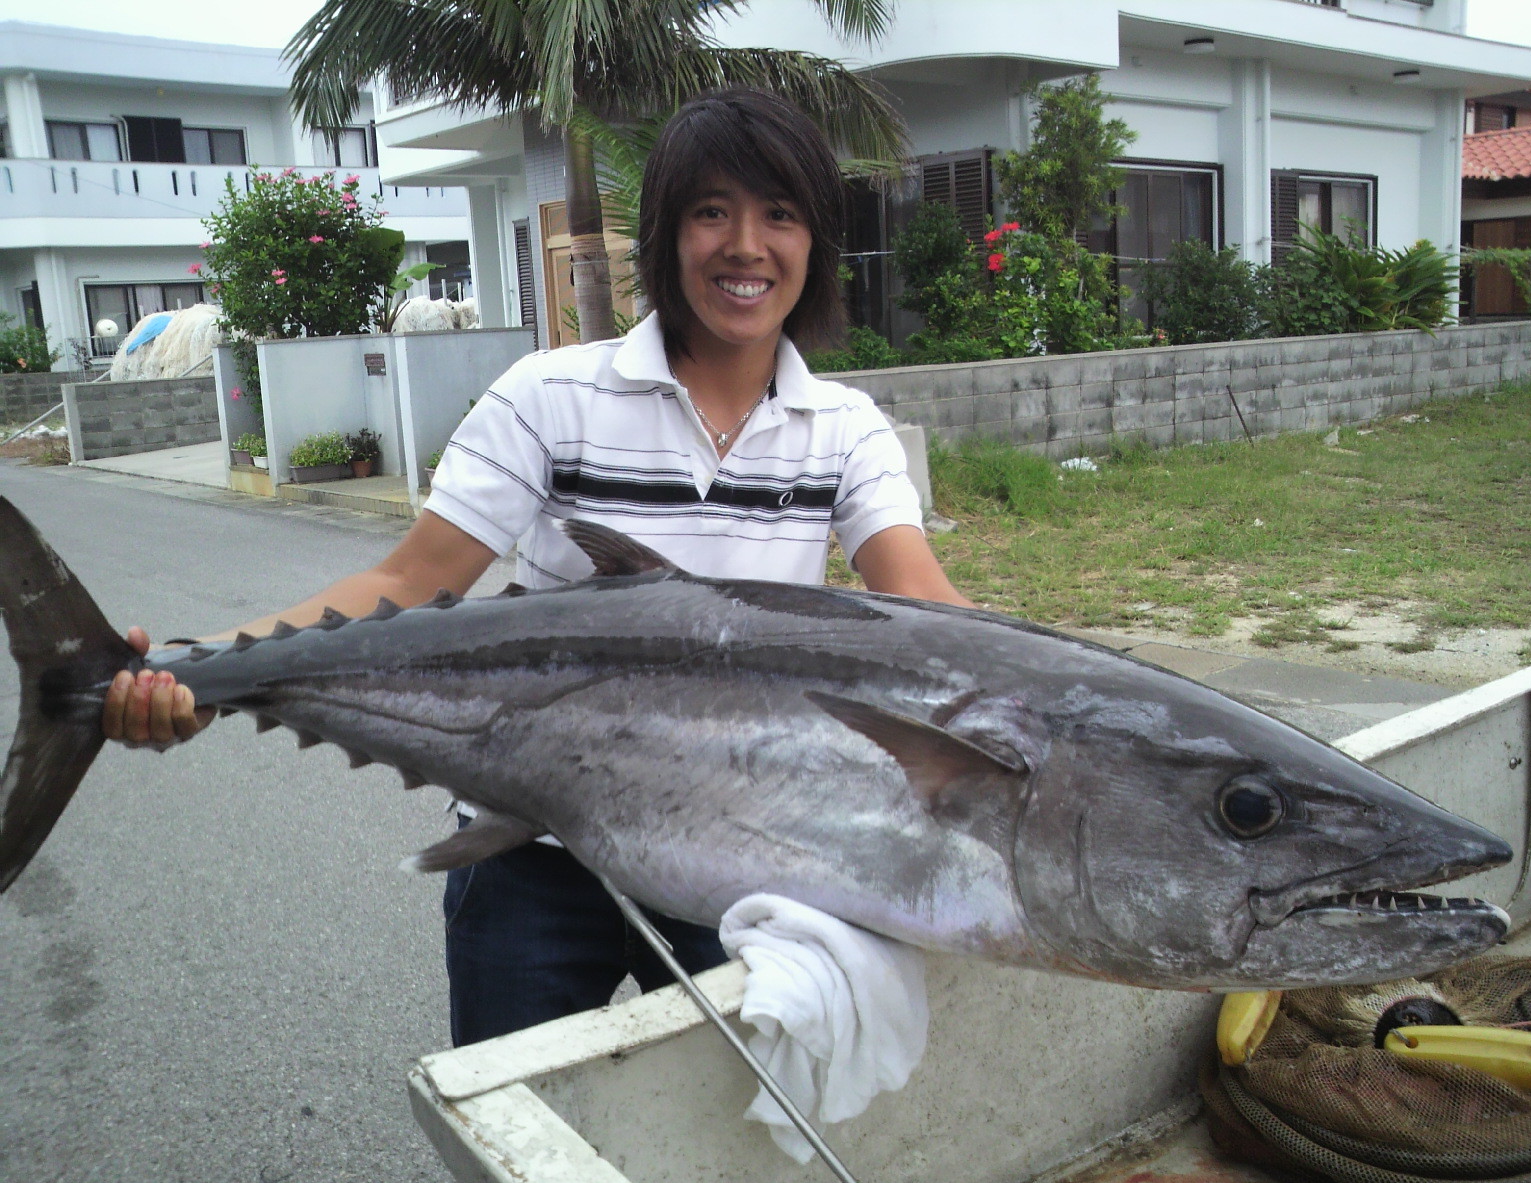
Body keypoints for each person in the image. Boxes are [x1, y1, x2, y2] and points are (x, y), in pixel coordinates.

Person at [104, 86, 970, 1046]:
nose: (745, 246)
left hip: (745, 859)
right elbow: (407, 582)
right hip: (531, 854)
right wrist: (200, 667)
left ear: (817, 245)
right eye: (710, 212)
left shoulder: (844, 429)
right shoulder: (550, 396)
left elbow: (928, 608)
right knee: (524, 1137)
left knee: (742, 1144)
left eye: (780, 214)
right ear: (667, 237)